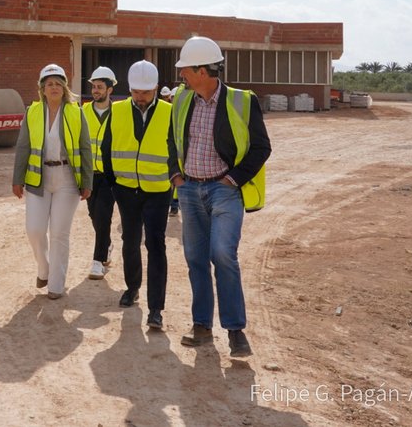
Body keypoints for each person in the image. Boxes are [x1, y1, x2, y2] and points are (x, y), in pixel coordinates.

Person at [171, 36, 271, 358]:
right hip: (190, 190)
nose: (181, 75)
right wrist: (177, 174)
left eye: (185, 69)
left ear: (202, 70)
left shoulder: (243, 101)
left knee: (223, 255)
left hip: (224, 190)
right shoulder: (182, 101)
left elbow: (261, 147)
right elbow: (173, 140)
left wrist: (233, 179)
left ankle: (235, 331)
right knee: (195, 259)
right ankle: (201, 325)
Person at [101, 59, 178, 331]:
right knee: (129, 241)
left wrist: (173, 181)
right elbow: (107, 148)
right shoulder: (118, 110)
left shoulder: (171, 112)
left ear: (156, 88)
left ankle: (156, 308)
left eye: (145, 92)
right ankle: (132, 288)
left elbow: (176, 150)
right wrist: (113, 183)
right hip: (125, 190)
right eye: (135, 92)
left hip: (158, 191)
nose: (140, 97)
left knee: (156, 246)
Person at [12, 63, 93, 299]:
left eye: (58, 83)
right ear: (42, 89)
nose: (54, 87)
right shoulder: (33, 112)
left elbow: (86, 148)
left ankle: (56, 285)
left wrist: (87, 181)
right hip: (38, 178)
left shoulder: (76, 112)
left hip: (67, 179)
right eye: (50, 84)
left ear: (65, 88)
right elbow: (23, 146)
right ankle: (44, 268)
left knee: (59, 233)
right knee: (34, 230)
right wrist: (17, 179)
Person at [82, 66, 118, 280]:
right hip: (89, 173)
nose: (95, 91)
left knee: (104, 215)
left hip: (110, 174)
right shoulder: (83, 112)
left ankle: (98, 261)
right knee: (94, 215)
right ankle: (107, 244)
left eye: (100, 87)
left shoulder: (119, 113)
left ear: (109, 89)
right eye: (94, 87)